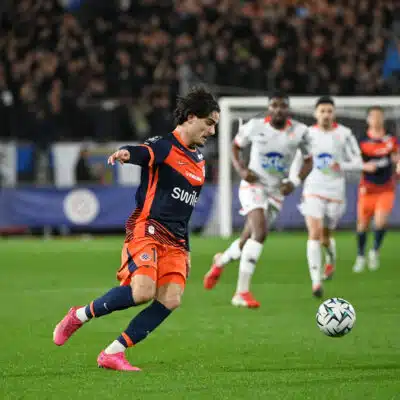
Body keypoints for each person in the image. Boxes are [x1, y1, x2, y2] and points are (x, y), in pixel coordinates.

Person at [53, 88, 220, 371]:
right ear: (191, 117)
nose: (212, 131)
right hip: (148, 229)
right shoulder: (165, 145)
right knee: (142, 292)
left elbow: (185, 210)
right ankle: (78, 316)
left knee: (171, 299)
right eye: (209, 123)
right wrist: (126, 154)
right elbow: (144, 152)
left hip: (177, 242)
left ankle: (113, 353)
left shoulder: (200, 163)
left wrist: (187, 249)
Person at [203, 92, 313, 308]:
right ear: (269, 108)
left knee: (247, 240)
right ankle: (241, 292)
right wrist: (242, 170)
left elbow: (309, 161)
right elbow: (235, 146)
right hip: (254, 185)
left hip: (277, 191)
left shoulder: (300, 132)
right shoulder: (254, 126)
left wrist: (294, 182)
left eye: (282, 106)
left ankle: (221, 261)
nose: (278, 109)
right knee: (260, 233)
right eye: (274, 105)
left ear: (288, 109)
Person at [291, 97, 376, 297]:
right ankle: (316, 282)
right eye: (322, 111)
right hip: (313, 188)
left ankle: (330, 260)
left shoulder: (344, 134)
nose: (326, 115)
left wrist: (342, 165)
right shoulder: (307, 134)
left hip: (335, 191)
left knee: (325, 236)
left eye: (329, 111)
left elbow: (358, 161)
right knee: (314, 233)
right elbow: (298, 160)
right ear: (315, 114)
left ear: (334, 113)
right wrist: (293, 181)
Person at [353, 106, 399, 272]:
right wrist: (364, 166)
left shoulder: (391, 140)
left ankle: (374, 251)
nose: (377, 119)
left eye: (380, 116)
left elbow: (397, 157)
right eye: (373, 116)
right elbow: (353, 160)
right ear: (368, 119)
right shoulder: (362, 140)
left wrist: (398, 165)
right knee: (362, 225)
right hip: (367, 188)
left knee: (380, 222)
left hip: (386, 188)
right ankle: (360, 255)